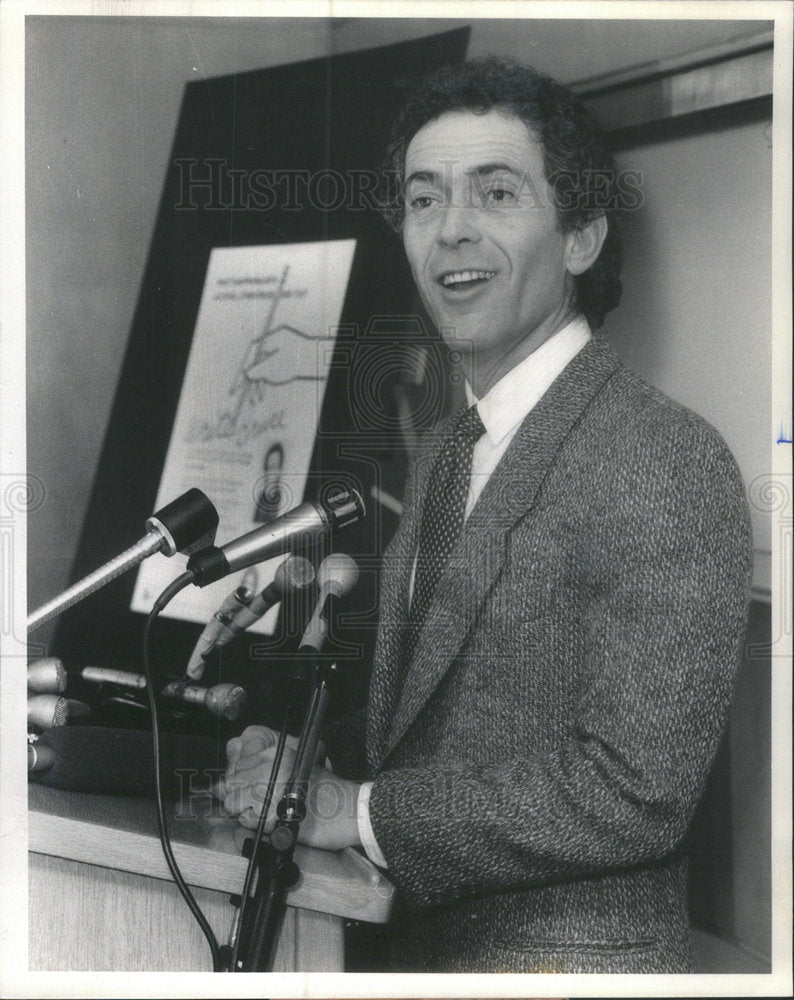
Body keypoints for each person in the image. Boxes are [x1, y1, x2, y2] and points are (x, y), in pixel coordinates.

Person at [214, 57, 752, 973]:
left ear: (581, 236)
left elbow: (637, 790)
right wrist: (305, 767)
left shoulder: (666, 457)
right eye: (424, 201)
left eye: (495, 193)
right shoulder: (446, 450)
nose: (450, 231)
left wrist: (359, 810)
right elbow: (442, 725)